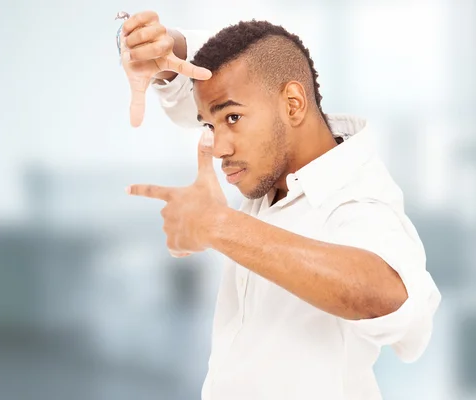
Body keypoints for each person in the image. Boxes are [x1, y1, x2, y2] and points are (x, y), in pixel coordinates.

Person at [118, 11, 441, 400]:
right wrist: (167, 49)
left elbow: (388, 296)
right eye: (209, 126)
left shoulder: (358, 196)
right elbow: (232, 77)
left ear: (292, 104)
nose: (219, 148)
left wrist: (219, 226)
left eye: (232, 118)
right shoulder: (273, 168)